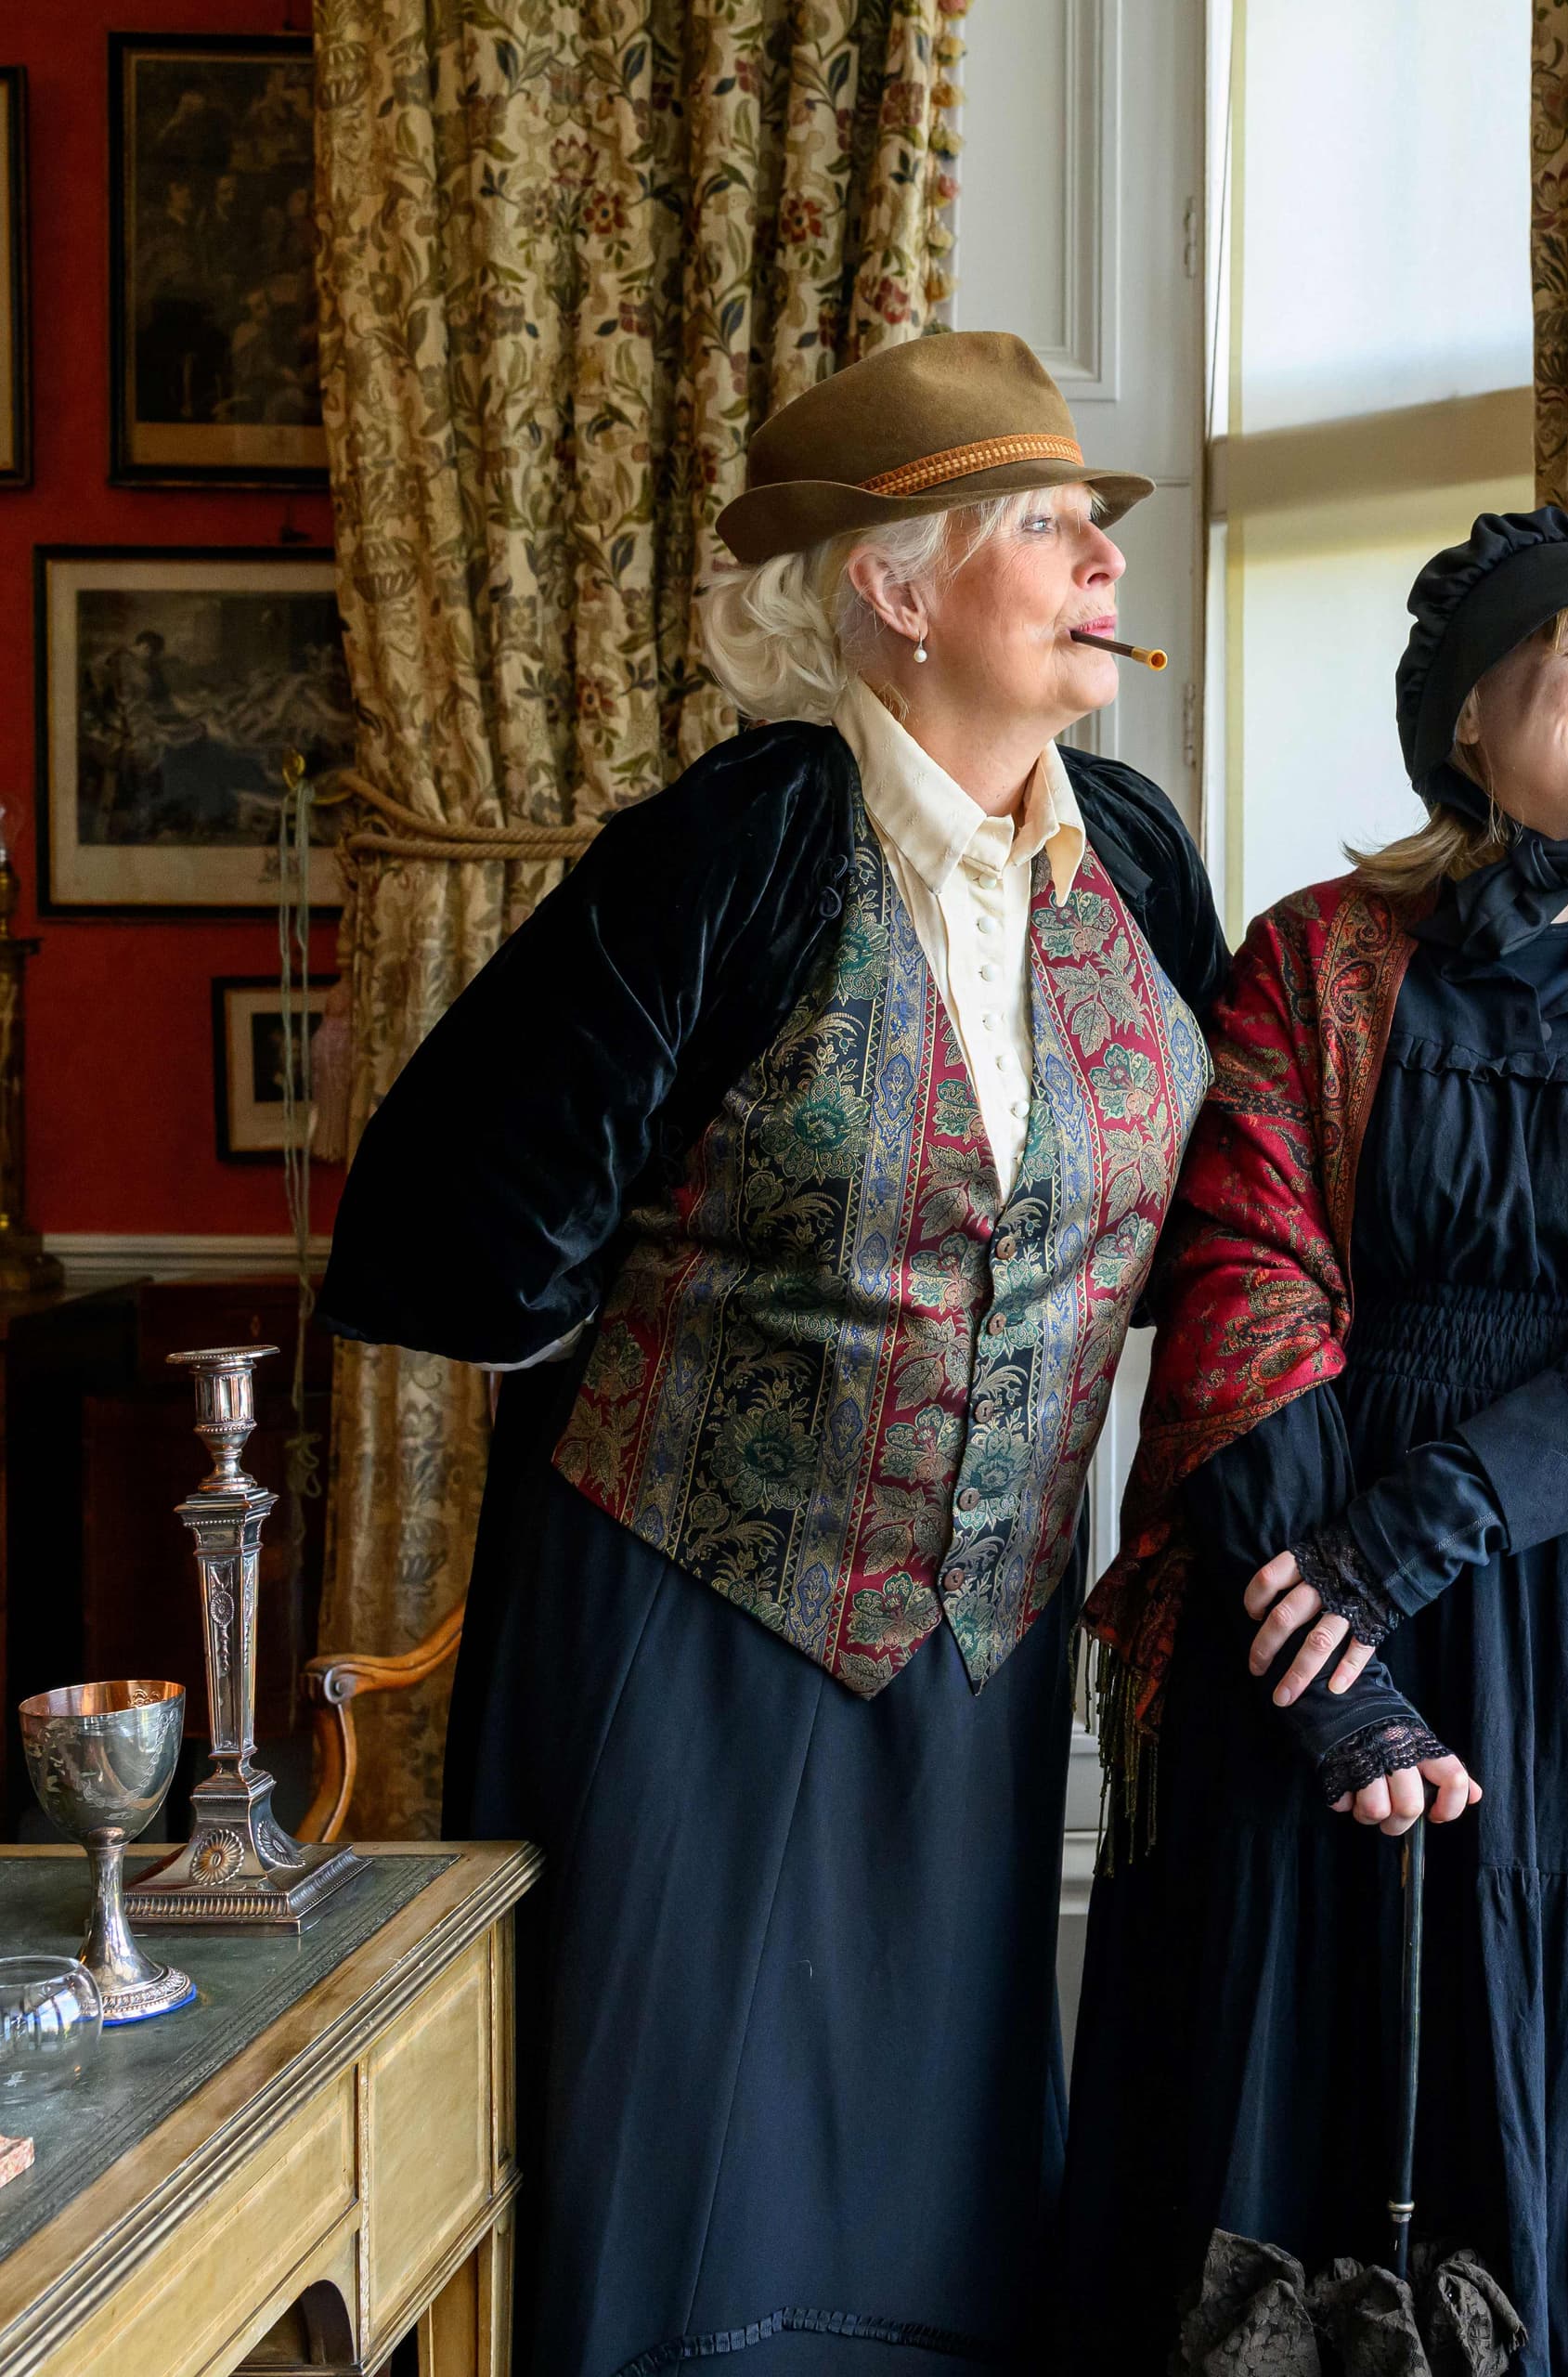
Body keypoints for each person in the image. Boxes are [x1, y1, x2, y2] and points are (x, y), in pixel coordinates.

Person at [318, 331, 1226, 2377]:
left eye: (1096, 523)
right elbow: (450, 1234)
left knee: (935, 2195)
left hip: (984, 1653)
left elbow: (1225, 1211)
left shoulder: (1138, 853)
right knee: (691, 2188)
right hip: (692, 1631)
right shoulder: (730, 847)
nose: (1104, 558)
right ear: (895, 591)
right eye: (1046, 524)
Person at [1062, 507, 1568, 2375]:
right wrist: (1335, 1657)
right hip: (1300, 1605)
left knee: (1552, 2128)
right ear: (1473, 712)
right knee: (1287, 2114)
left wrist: (1424, 1526)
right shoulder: (1309, 957)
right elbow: (1240, 1279)